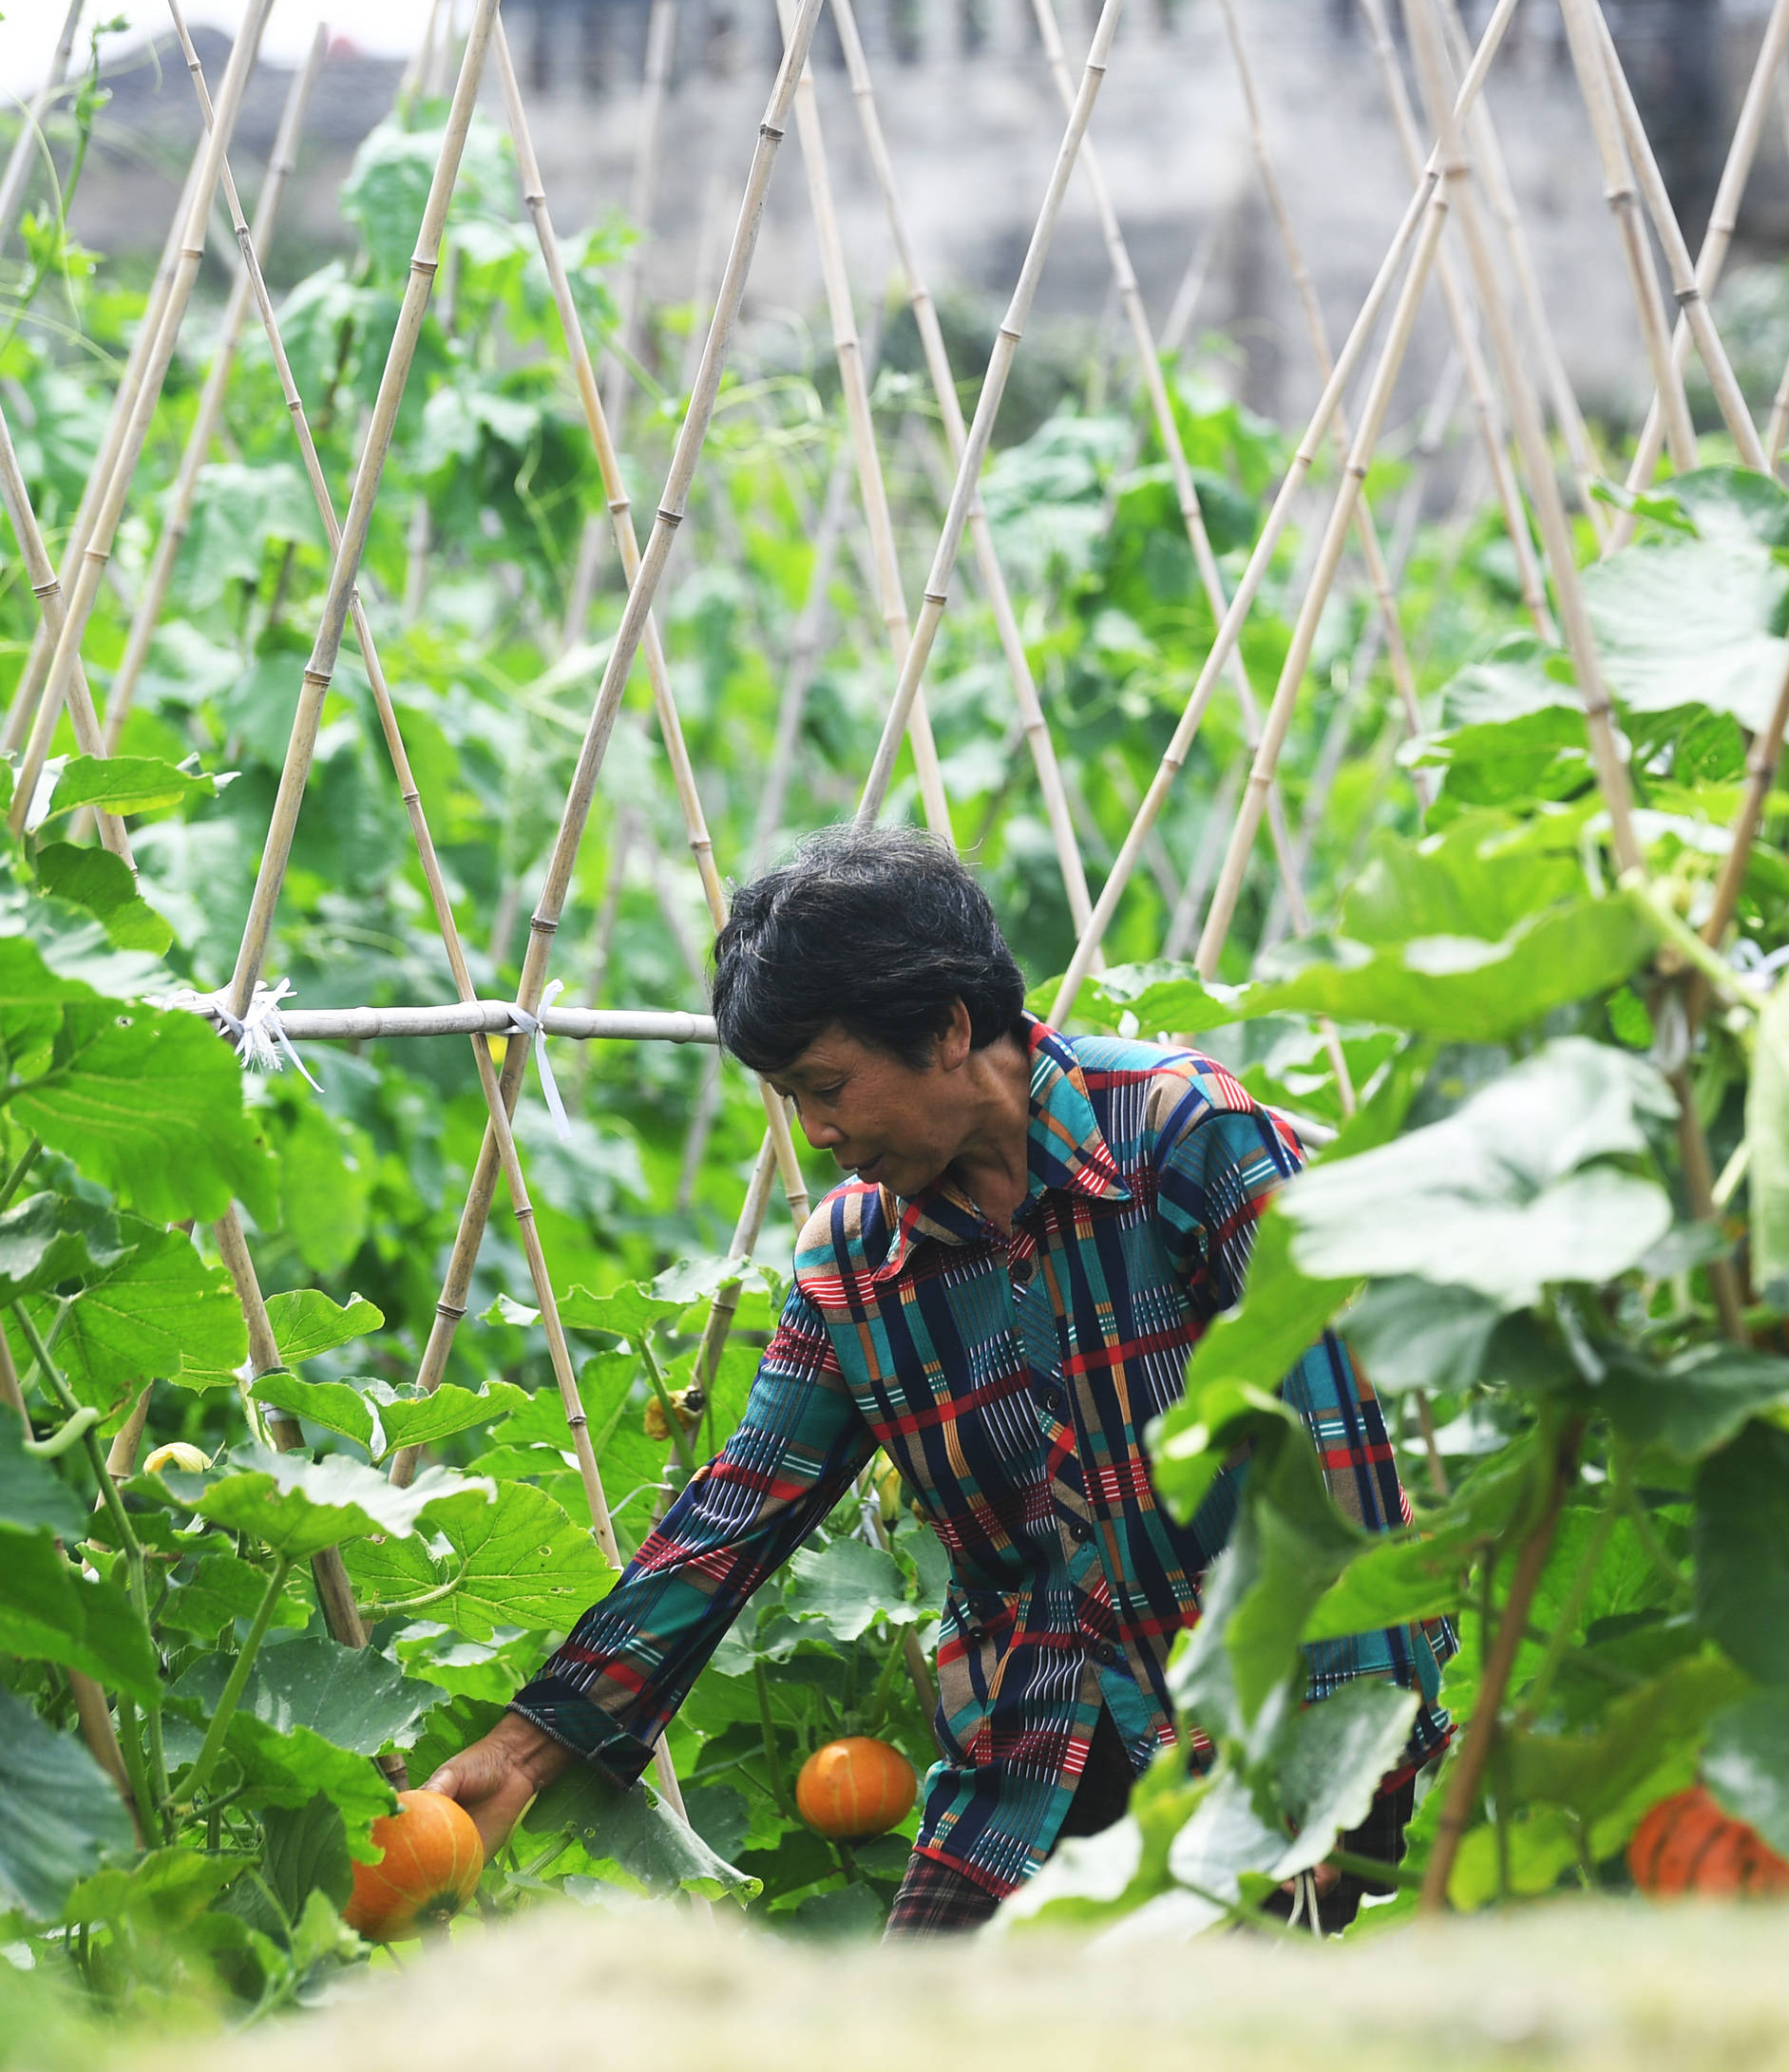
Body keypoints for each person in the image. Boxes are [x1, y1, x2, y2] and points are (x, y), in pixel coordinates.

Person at [423, 827, 1446, 1934]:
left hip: (1262, 1734)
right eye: (789, 1098)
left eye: (827, 1086)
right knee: (917, 2069)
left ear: (950, 1028)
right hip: (1032, 1755)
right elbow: (734, 1516)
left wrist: (1340, 1784)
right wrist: (526, 1749)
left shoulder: (1186, 1139)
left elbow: (1340, 1463)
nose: (816, 1133)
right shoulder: (854, 1263)